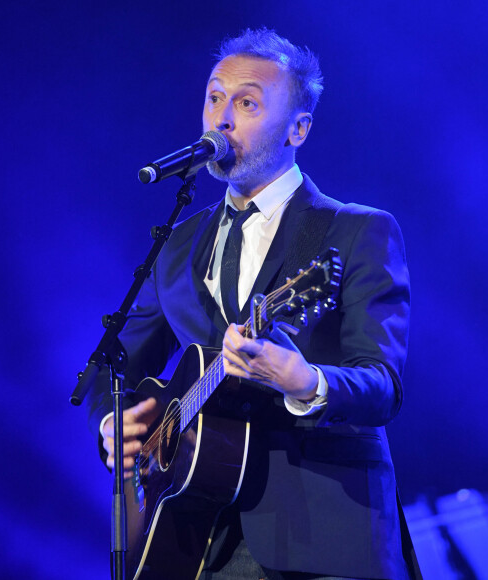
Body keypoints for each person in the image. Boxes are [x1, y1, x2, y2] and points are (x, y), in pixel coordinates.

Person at [86, 28, 420, 580]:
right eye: (215, 97)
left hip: (324, 537)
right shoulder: (177, 242)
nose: (221, 118)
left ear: (298, 129)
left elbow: (383, 386)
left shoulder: (357, 231)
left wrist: (305, 381)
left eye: (246, 103)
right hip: (196, 537)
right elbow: (113, 360)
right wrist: (111, 421)